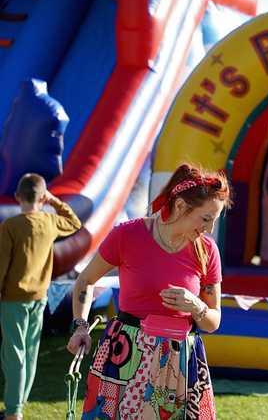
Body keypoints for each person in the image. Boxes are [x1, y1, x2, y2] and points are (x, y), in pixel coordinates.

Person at [66, 164, 231, 419]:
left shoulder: (208, 251)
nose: (209, 229)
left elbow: (213, 321)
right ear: (180, 207)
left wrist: (196, 306)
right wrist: (80, 326)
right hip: (125, 355)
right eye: (206, 218)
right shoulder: (128, 234)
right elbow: (85, 280)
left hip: (180, 363)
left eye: (214, 221)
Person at [0, 173, 81, 420]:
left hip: (13, 299)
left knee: (14, 354)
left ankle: (14, 411)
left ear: (17, 197)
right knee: (30, 352)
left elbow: (1, 265)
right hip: (40, 298)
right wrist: (54, 201)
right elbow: (74, 222)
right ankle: (19, 404)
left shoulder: (10, 226)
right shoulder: (49, 221)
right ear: (42, 197)